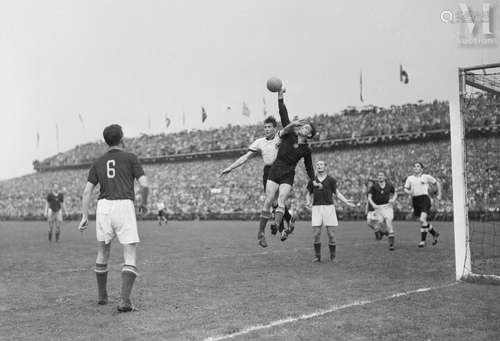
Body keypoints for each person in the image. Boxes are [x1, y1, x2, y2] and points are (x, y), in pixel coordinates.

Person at [78, 124, 149, 313]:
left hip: (103, 207)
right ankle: (124, 301)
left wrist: (85, 216)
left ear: (106, 140)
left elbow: (86, 192)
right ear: (122, 138)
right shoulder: (130, 158)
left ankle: (102, 296)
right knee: (129, 253)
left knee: (102, 252)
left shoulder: (98, 162)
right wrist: (143, 203)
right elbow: (144, 184)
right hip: (124, 204)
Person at [221, 88, 296, 242]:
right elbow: (246, 157)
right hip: (269, 172)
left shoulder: (280, 137)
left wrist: (281, 97)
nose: (267, 129)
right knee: (273, 202)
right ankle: (288, 220)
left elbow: (287, 125)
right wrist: (230, 167)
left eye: (269, 127)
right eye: (265, 127)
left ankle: (281, 229)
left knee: (277, 202)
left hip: (281, 170)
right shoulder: (259, 142)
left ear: (275, 128)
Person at [306, 160, 356, 262]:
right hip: (316, 208)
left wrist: (346, 201)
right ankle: (317, 256)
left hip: (329, 208)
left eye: (321, 164)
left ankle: (333, 257)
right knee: (316, 234)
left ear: (325, 167)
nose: (319, 166)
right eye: (317, 165)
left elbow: (336, 193)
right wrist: (308, 201)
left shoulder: (331, 180)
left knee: (331, 235)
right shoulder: (312, 181)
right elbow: (308, 193)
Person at [404, 162, 442, 247]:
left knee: (422, 219)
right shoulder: (410, 178)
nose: (416, 167)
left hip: (425, 199)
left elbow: (437, 183)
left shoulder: (426, 177)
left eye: (418, 166)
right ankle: (434, 233)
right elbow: (405, 189)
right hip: (415, 200)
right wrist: (409, 192)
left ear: (421, 169)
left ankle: (423, 241)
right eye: (414, 166)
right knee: (423, 222)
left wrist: (439, 195)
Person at [368, 171, 398, 251]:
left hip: (387, 207)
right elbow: (369, 197)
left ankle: (391, 245)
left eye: (381, 175)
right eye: (378, 175)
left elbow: (395, 193)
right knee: (380, 223)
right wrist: (373, 204)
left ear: (385, 177)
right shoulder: (374, 187)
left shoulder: (389, 185)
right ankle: (383, 232)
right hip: (378, 208)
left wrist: (393, 199)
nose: (380, 176)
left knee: (389, 223)